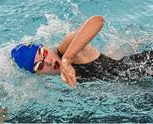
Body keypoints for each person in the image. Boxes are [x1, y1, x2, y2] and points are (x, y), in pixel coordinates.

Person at [11, 16, 153, 88]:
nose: (48, 61)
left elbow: (97, 21)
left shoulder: (66, 49)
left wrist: (67, 59)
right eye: (39, 66)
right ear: (38, 75)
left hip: (145, 67)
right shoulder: (62, 77)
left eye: (43, 53)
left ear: (46, 47)